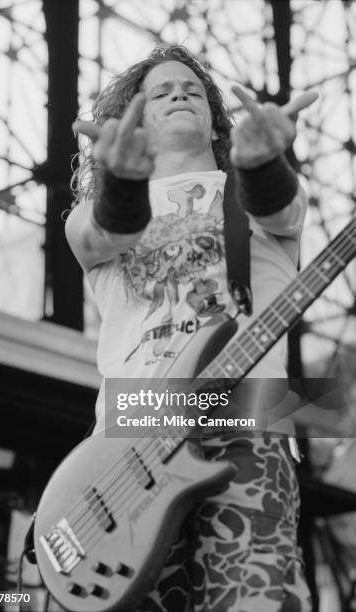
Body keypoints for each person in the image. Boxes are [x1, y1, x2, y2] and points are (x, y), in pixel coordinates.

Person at [67, 45, 316, 612]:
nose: (180, 93)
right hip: (129, 445)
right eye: (161, 91)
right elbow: (103, 232)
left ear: (215, 119)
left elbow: (279, 206)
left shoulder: (256, 196)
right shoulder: (91, 211)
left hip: (244, 428)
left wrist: (258, 165)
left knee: (251, 598)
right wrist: (125, 185)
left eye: (193, 90)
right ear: (132, 120)